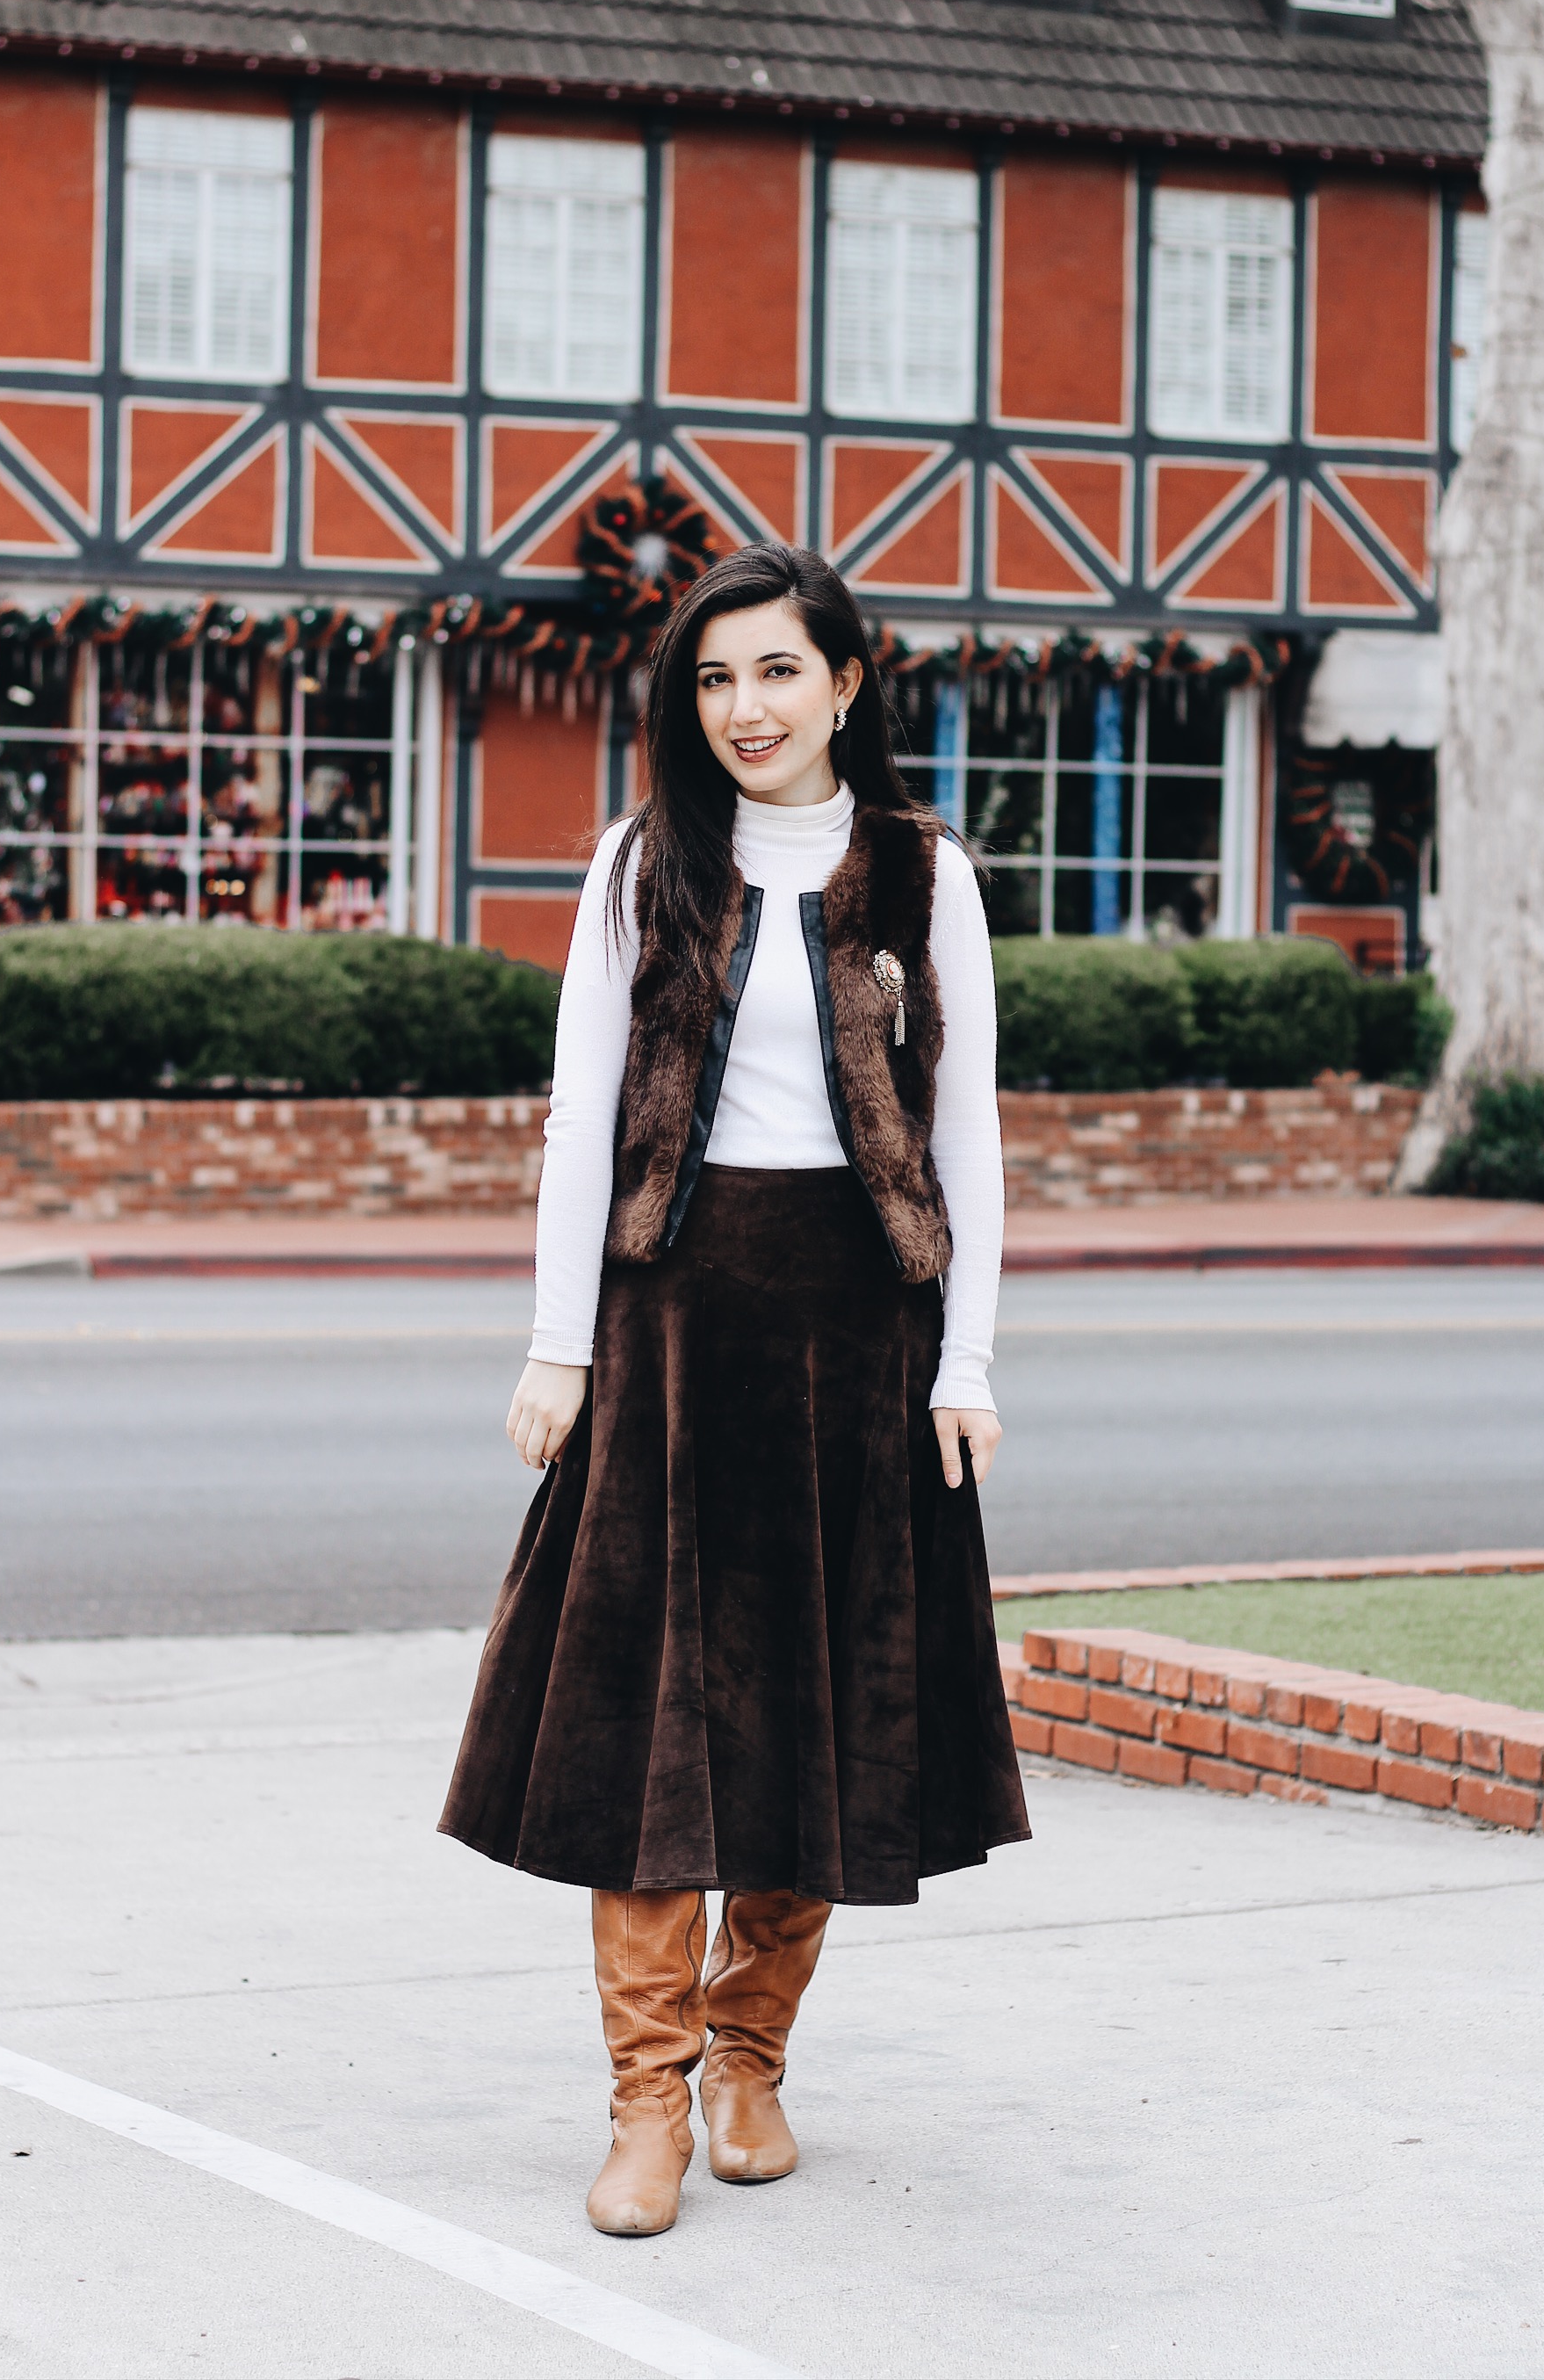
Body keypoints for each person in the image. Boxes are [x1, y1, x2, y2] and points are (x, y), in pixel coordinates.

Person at [439, 542, 1028, 2238]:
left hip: (864, 1343)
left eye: (777, 672)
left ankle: (748, 2055)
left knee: (817, 1718)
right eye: (713, 678)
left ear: (846, 685)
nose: (744, 708)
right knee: (650, 1725)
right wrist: (561, 1343)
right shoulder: (644, 864)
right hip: (672, 1335)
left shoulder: (926, 873)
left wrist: (967, 1359)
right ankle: (645, 2103)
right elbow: (580, 1116)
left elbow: (968, 1132)